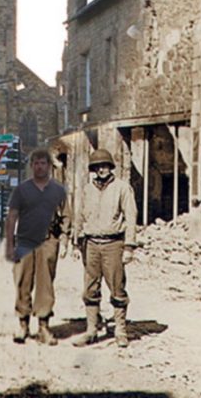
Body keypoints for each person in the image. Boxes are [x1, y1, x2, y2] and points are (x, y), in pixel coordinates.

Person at [5, 148, 70, 345]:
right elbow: (12, 217)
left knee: (46, 284)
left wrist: (64, 240)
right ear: (32, 166)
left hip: (48, 240)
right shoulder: (21, 190)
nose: (40, 167)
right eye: (36, 163)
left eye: (44, 163)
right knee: (22, 281)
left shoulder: (58, 190)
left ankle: (44, 326)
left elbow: (66, 216)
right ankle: (23, 325)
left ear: (49, 167)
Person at [72, 149, 137, 348]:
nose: (102, 169)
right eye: (98, 166)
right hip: (90, 244)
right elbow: (79, 215)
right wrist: (76, 243)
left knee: (117, 288)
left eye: (105, 165)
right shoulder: (87, 189)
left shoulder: (122, 188)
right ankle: (92, 330)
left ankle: (120, 330)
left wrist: (129, 246)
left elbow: (131, 217)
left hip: (113, 244)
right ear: (93, 169)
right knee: (90, 289)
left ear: (111, 167)